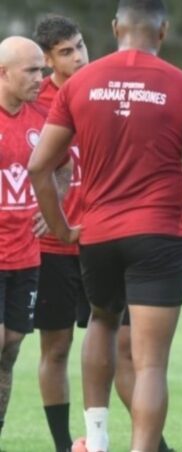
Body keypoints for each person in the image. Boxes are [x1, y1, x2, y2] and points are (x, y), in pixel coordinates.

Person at [28, 0, 182, 450]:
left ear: (115, 28)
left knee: (102, 323)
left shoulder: (80, 84)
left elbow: (38, 168)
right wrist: (178, 220)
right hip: (157, 234)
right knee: (149, 364)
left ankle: (95, 440)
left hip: (98, 234)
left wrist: (63, 227)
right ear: (163, 30)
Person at [31, 16, 91, 452]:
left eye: (81, 46)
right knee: (57, 347)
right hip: (53, 244)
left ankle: (143, 439)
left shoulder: (104, 90)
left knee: (123, 347)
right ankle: (62, 444)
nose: (78, 56)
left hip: (103, 237)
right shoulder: (37, 98)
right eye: (66, 51)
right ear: (47, 59)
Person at [0, 35, 46, 444]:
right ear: (3, 73)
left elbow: (63, 166)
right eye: (31, 70)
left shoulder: (42, 119)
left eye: (41, 69)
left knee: (11, 346)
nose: (40, 77)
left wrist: (54, 205)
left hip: (26, 254)